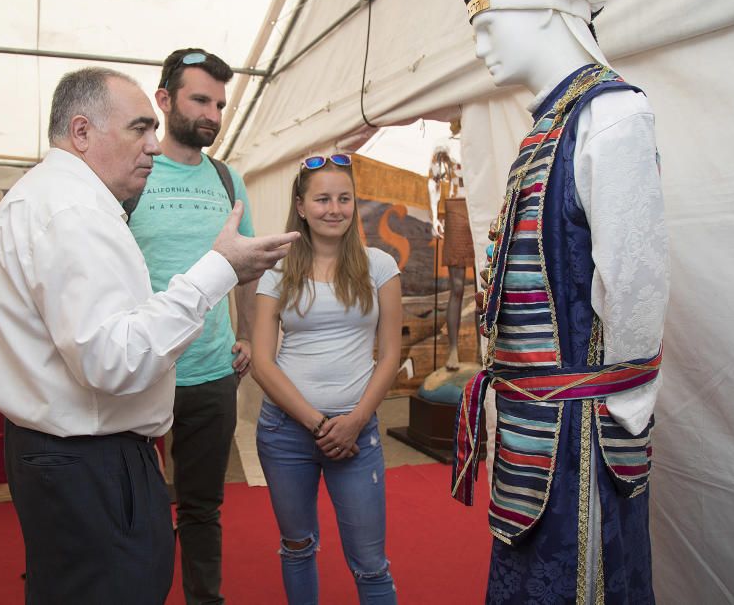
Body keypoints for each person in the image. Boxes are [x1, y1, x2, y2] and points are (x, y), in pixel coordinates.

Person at [0, 66, 298, 605]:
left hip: (63, 453)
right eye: (138, 130)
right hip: (90, 460)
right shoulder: (73, 212)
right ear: (81, 132)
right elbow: (112, 359)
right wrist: (218, 269)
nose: (152, 146)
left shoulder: (49, 198)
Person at [452, 0, 669, 603]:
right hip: (532, 426)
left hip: (579, 434)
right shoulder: (548, 126)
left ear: (544, 11)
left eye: (488, 26)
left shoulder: (610, 115)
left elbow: (634, 286)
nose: (481, 47)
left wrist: (623, 409)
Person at [125, 47, 250, 605]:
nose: (213, 114)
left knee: (202, 506)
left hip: (211, 371)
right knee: (132, 505)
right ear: (163, 100)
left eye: (220, 104)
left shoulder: (228, 179)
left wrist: (244, 333)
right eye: (200, 99)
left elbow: (245, 266)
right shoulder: (131, 173)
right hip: (139, 371)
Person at [252, 153, 403, 604]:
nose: (334, 209)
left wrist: (355, 420)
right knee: (297, 547)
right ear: (300, 206)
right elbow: (263, 361)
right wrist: (318, 425)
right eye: (322, 199)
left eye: (344, 198)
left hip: (355, 435)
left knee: (371, 563)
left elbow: (390, 355)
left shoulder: (380, 265)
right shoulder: (278, 269)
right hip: (286, 432)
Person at [427, 144, 475, 371]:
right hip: (457, 208)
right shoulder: (444, 143)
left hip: (479, 209)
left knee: (483, 288)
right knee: (456, 287)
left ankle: (482, 351)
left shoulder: (484, 134)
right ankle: (453, 349)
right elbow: (434, 181)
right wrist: (434, 216)